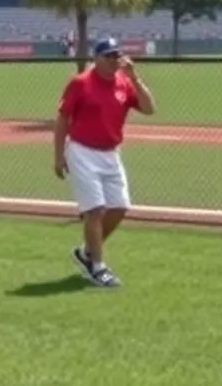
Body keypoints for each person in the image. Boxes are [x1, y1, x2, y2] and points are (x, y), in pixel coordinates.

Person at [54, 38, 156, 288]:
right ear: (96, 58)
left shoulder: (124, 83)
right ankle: (98, 267)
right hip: (82, 151)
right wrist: (58, 155)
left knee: (119, 207)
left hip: (110, 153)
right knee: (95, 210)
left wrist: (134, 77)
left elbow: (149, 108)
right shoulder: (80, 83)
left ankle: (87, 252)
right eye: (108, 56)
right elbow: (63, 119)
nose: (114, 60)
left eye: (116, 55)